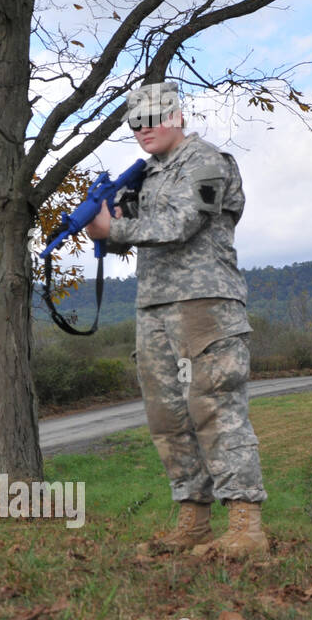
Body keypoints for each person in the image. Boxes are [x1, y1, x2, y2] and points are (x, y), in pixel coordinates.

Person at [86, 80, 269, 559]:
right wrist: (102, 226)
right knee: (167, 415)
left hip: (205, 303)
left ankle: (246, 525)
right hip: (154, 306)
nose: (142, 130)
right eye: (134, 123)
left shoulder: (206, 161)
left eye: (152, 119)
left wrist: (117, 226)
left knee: (216, 407)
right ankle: (194, 519)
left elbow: (181, 224)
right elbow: (129, 239)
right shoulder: (147, 175)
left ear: (177, 116)